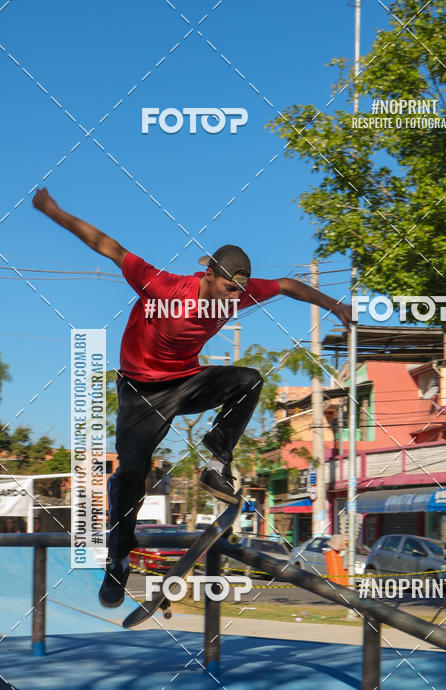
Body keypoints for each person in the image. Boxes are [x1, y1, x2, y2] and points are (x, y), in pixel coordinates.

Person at [33, 188, 352, 607]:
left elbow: (291, 285)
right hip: (141, 391)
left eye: (239, 292)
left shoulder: (241, 291)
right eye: (226, 289)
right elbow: (106, 246)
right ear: (207, 276)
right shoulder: (163, 286)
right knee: (132, 473)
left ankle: (217, 462)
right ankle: (118, 559)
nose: (233, 300)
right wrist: (54, 210)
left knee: (249, 379)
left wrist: (335, 306)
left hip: (187, 380)